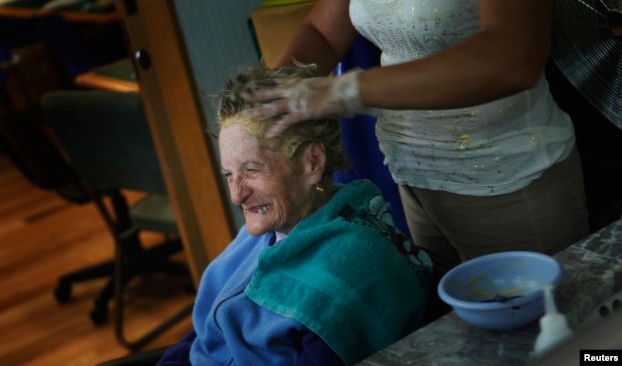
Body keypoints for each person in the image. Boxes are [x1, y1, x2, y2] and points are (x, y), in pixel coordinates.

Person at [243, 0, 590, 310]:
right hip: (413, 182)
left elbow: (512, 57)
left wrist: (344, 92)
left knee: (554, 342)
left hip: (510, 183)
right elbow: (321, 31)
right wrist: (269, 100)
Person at [157, 63, 432, 366]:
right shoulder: (264, 236)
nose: (237, 194)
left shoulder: (351, 266)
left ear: (311, 163)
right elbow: (207, 334)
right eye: (228, 174)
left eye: (251, 170)